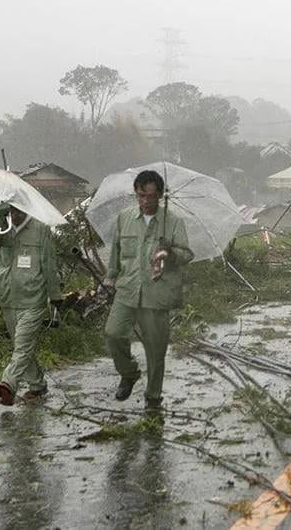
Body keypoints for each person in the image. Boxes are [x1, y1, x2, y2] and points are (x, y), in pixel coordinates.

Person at [103, 170, 193, 411]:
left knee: (155, 350)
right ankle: (129, 372)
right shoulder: (125, 218)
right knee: (113, 333)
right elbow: (116, 251)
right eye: (141, 196)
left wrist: (169, 253)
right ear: (136, 194)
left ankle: (153, 397)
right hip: (127, 289)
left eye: (150, 196)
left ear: (160, 195)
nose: (145, 202)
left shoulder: (173, 222)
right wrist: (110, 277)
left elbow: (187, 254)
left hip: (157, 293)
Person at [0, 205, 62, 406]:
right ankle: (37, 385)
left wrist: (55, 295)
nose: (16, 216)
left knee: (22, 344)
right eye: (12, 212)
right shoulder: (4, 226)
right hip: (8, 296)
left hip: (33, 298)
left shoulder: (41, 229)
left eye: (19, 212)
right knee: (21, 346)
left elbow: (48, 262)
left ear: (27, 210)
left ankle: (8, 383)